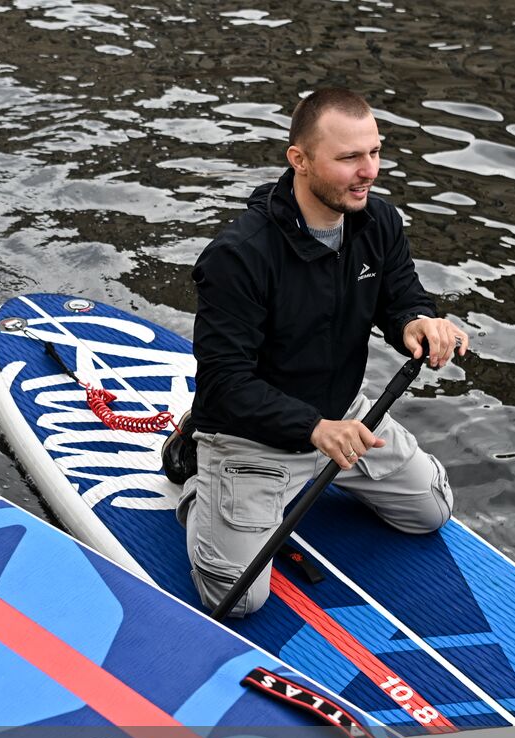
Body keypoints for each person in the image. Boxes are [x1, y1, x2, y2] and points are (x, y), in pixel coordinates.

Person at [168, 87, 470, 618]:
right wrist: (314, 428)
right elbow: (225, 384)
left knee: (432, 512)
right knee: (237, 600)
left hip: (344, 418)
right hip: (252, 439)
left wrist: (418, 322)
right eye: (350, 157)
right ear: (300, 160)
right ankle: (200, 481)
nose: (369, 171)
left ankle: (295, 480)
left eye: (375, 152)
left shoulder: (378, 222)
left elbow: (400, 297)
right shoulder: (238, 257)